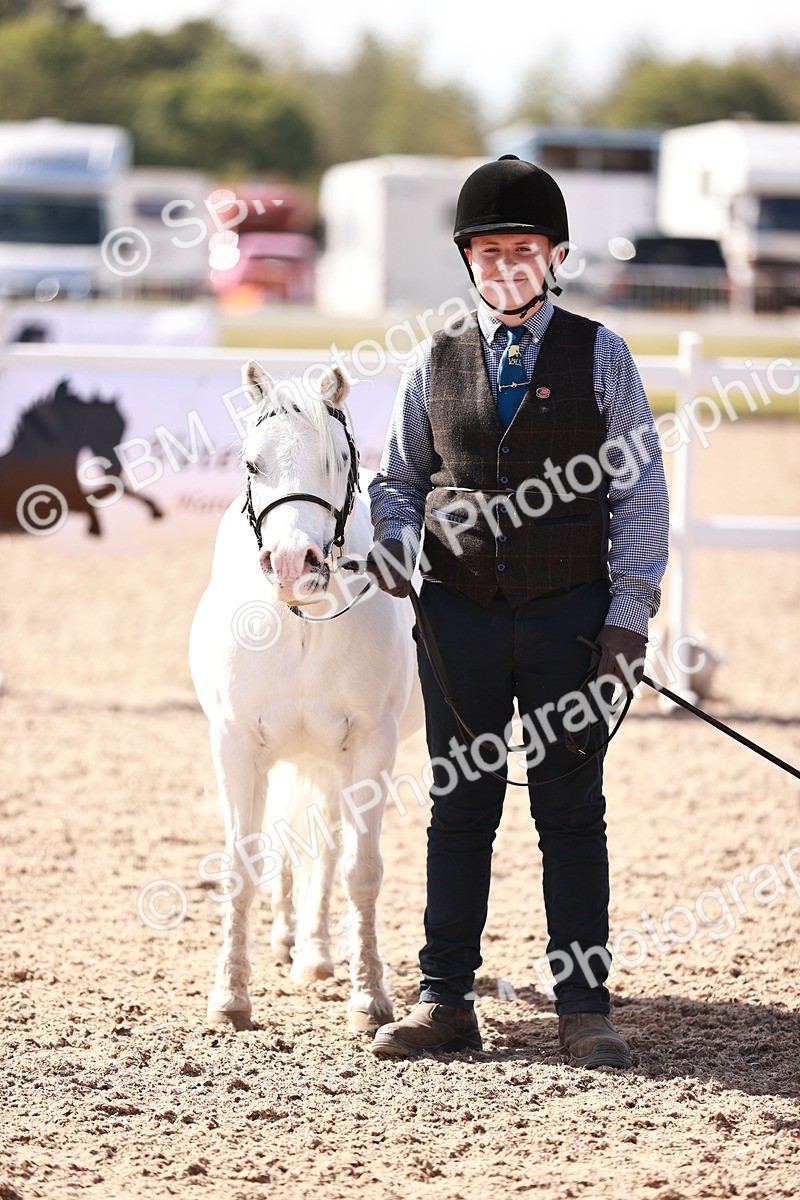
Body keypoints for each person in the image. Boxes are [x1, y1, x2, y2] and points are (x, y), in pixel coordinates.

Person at [364, 155, 669, 1069]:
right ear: (469, 262)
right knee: (461, 808)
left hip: (569, 618)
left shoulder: (601, 354)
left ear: (556, 254)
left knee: (571, 811)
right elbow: (400, 480)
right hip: (457, 618)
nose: (504, 266)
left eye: (521, 249)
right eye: (487, 251)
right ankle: (445, 1000)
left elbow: (641, 496)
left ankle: (584, 1006)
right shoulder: (432, 358)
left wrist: (627, 619)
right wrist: (391, 536)